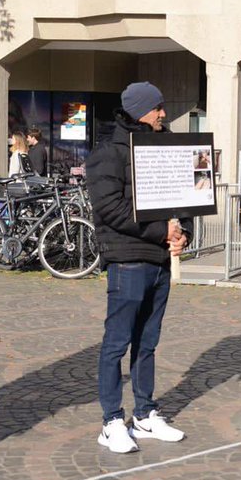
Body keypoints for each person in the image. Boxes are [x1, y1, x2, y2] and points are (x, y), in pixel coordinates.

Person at [86, 82, 192, 453]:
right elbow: (110, 209)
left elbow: (186, 194)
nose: (164, 113)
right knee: (116, 343)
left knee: (148, 342)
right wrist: (158, 230)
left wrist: (183, 233)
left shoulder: (168, 144)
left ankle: (145, 415)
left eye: (162, 107)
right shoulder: (109, 153)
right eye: (157, 108)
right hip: (128, 258)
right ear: (137, 111)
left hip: (160, 259)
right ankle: (111, 421)